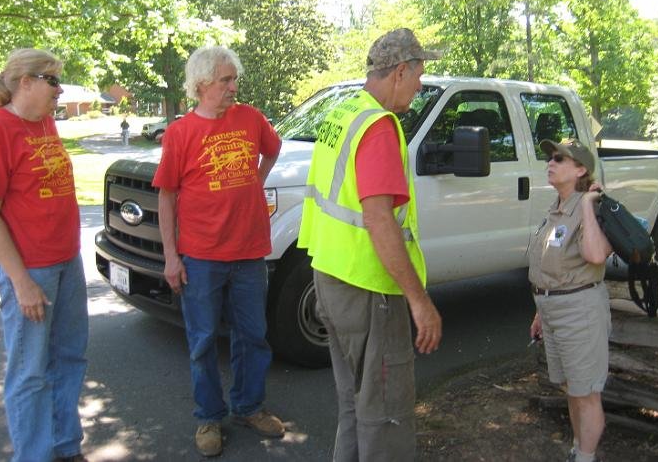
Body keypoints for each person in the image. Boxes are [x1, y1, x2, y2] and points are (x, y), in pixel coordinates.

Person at [298, 28, 443, 462]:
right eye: (419, 74)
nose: (420, 86)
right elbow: (379, 219)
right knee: (386, 414)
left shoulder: (342, 113)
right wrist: (419, 301)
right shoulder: (378, 127)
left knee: (354, 406)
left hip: (331, 276)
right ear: (400, 71)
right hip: (370, 289)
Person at [153, 45, 284, 457]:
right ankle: (209, 417)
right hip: (202, 255)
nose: (234, 86)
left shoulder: (250, 117)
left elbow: (273, 148)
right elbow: (167, 197)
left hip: (249, 251)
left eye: (234, 79)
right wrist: (171, 257)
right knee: (203, 340)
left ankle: (248, 406)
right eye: (226, 80)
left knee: (253, 335)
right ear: (203, 84)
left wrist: (254, 182)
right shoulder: (180, 132)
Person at [0, 49, 89, 462]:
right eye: (52, 80)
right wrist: (21, 282)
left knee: (70, 358)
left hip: (67, 261)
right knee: (30, 373)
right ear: (25, 82)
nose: (59, 90)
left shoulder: (44, 122)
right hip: (31, 270)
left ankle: (65, 448)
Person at [528, 139, 613, 462]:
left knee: (587, 394)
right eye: (550, 158)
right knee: (572, 389)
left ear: (580, 170)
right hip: (553, 310)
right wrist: (539, 312)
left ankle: (586, 456)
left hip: (580, 311)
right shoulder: (556, 207)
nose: (551, 163)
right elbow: (547, 267)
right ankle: (579, 450)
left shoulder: (591, 207)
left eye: (560, 159)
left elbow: (594, 255)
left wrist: (590, 204)